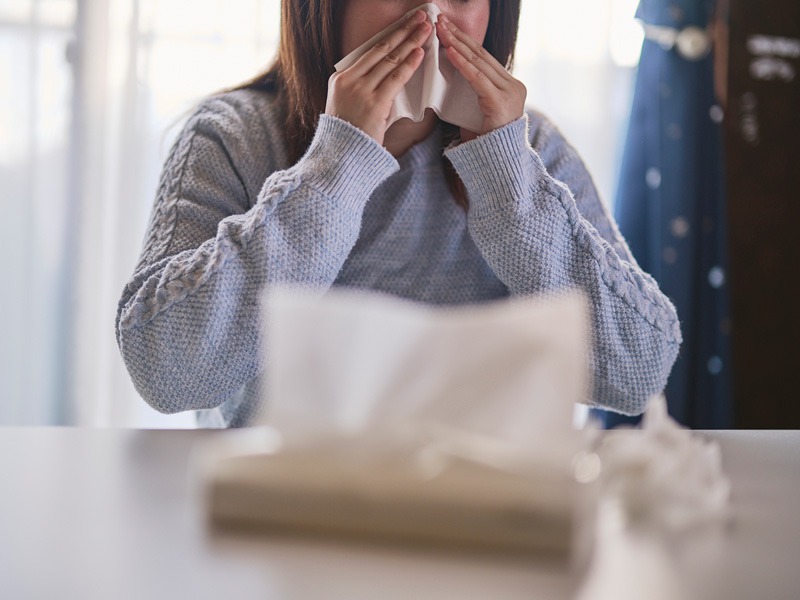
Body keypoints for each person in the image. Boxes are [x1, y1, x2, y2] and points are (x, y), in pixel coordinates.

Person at [116, 0, 682, 428]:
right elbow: (165, 370)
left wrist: (509, 182)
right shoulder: (234, 137)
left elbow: (638, 369)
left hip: (480, 526)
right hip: (286, 526)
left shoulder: (528, 148)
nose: (431, 20)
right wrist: (337, 166)